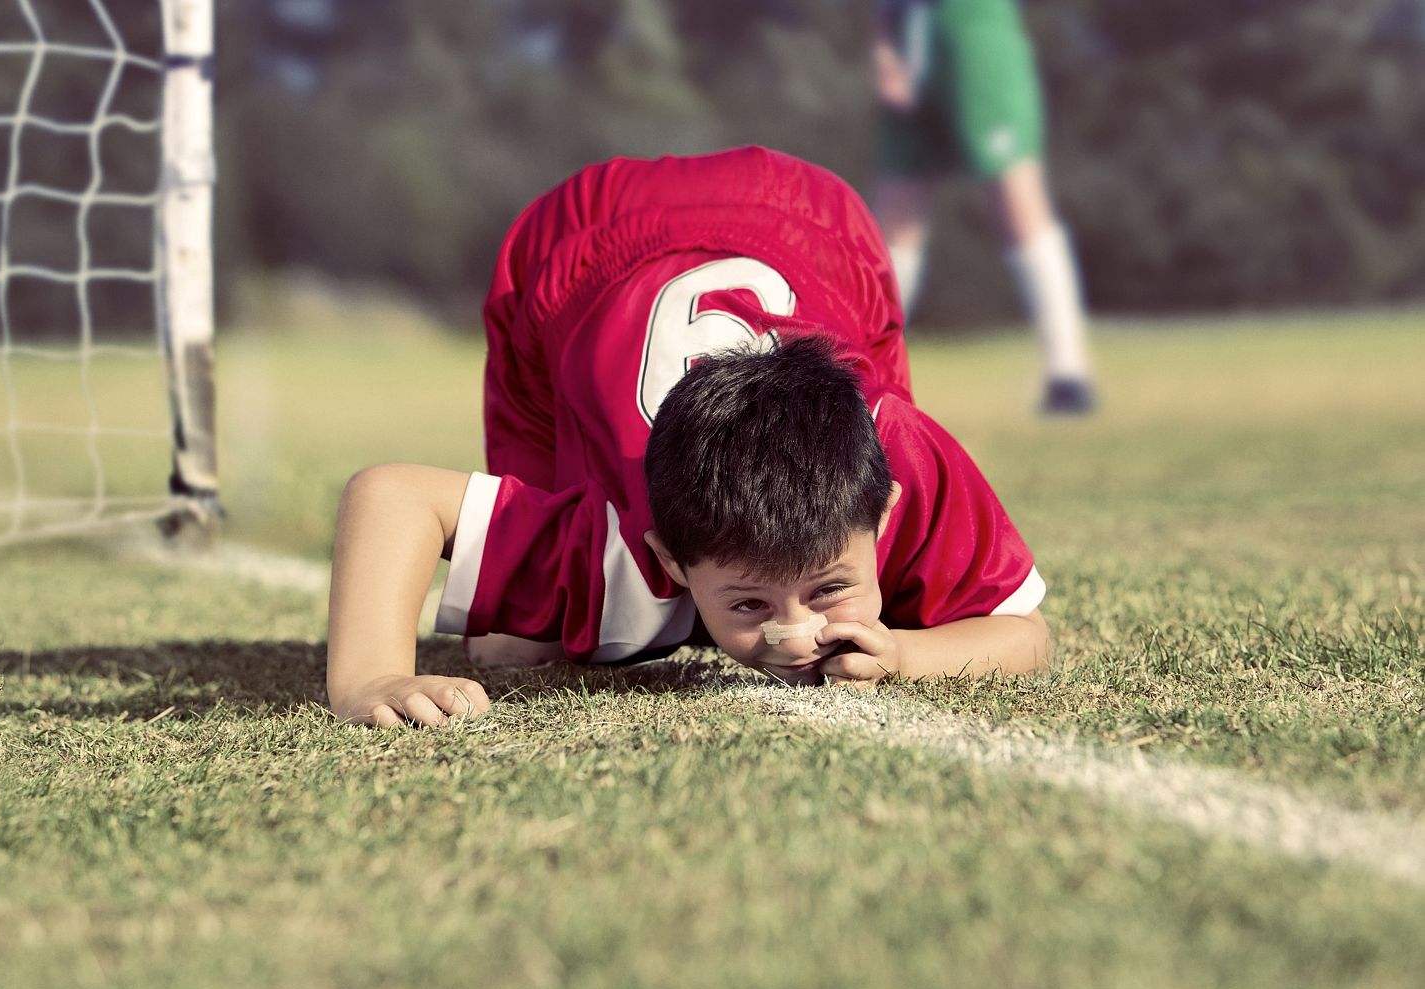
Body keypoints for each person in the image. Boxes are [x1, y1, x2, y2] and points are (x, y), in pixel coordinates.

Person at [326, 147, 1050, 728]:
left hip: (814, 224)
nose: (795, 638)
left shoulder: (903, 454)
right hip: (580, 244)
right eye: (750, 606)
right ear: (663, 558)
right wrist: (372, 674)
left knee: (905, 601)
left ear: (887, 509)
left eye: (828, 587)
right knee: (518, 643)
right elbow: (388, 496)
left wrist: (904, 652)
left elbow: (1027, 637)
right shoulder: (609, 543)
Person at [873, 0, 1096, 414]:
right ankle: (866, 374)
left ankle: (1068, 374)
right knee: (896, 215)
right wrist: (885, 44)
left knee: (1016, 196)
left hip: (974, 24)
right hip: (909, 27)